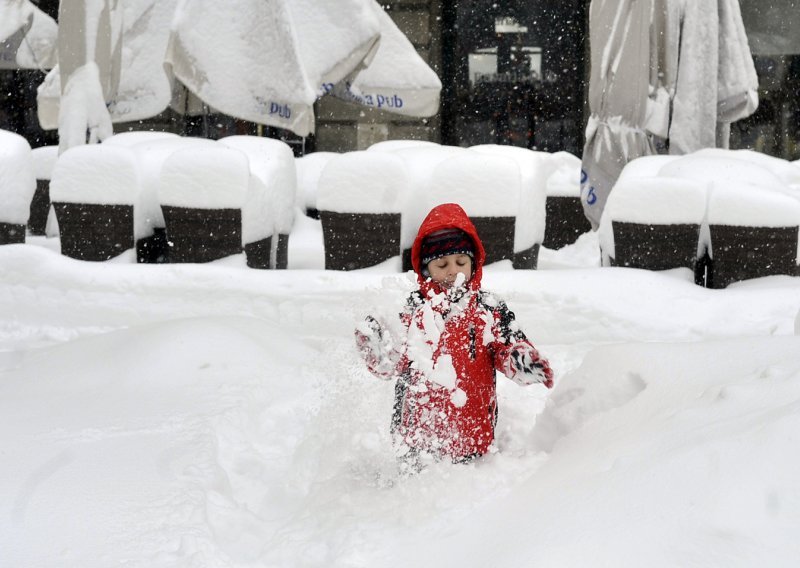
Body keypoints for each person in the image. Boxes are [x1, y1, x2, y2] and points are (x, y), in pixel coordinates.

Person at [355, 203, 553, 471]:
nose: (453, 271)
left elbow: (508, 349)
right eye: (442, 264)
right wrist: (374, 348)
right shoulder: (411, 311)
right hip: (416, 442)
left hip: (473, 438)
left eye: (461, 262)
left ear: (474, 263)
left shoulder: (490, 309)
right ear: (426, 269)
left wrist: (523, 362)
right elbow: (392, 363)